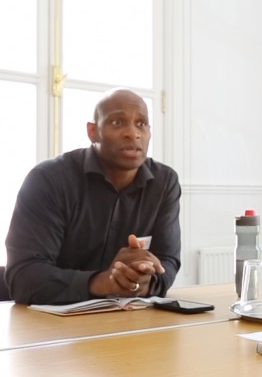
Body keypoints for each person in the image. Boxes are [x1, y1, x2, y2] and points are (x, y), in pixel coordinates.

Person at [5, 88, 181, 305]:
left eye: (141, 124)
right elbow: (23, 277)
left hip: (127, 319)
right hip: (51, 326)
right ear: (92, 131)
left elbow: (168, 261)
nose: (132, 133)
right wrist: (103, 282)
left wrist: (144, 281)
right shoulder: (48, 180)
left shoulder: (164, 182)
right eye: (117, 122)